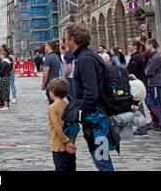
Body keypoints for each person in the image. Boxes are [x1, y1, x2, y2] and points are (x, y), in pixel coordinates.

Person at [64, 23, 116, 171]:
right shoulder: (87, 55)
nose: (65, 42)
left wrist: (82, 113)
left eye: (66, 39)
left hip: (95, 119)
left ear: (72, 39)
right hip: (95, 116)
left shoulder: (86, 59)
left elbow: (91, 92)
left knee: (102, 160)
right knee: (102, 158)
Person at [48, 78, 76, 172]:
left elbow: (57, 127)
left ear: (52, 90)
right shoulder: (67, 104)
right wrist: (70, 141)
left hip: (59, 145)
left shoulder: (52, 107)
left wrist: (66, 141)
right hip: (70, 145)